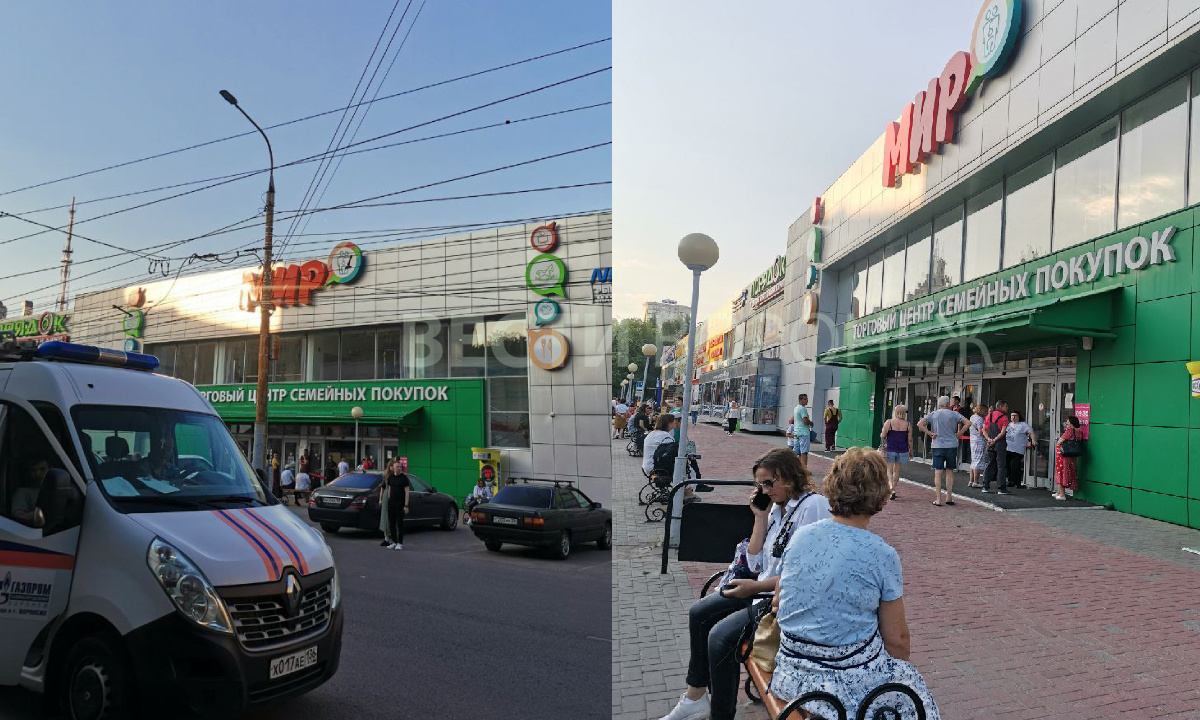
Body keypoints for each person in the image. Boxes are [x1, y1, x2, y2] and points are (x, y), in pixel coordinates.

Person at [658, 448, 831, 720]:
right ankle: (695, 697)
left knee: (720, 637)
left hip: (782, 600)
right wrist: (759, 518)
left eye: (768, 483)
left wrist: (755, 588)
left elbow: (806, 574)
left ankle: (721, 714)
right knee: (699, 614)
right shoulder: (775, 509)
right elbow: (753, 563)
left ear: (789, 477)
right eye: (759, 484)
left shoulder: (812, 506)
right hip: (760, 591)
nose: (763, 490)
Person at [769, 448, 940, 719]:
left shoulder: (801, 536)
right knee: (911, 692)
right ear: (881, 498)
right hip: (841, 686)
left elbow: (781, 601)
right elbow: (897, 644)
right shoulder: (881, 554)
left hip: (790, 673)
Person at [917, 396, 969, 507]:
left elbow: (919, 424)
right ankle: (949, 497)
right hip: (951, 445)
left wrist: (929, 433)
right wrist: (960, 433)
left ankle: (938, 499)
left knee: (938, 472)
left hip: (937, 445)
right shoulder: (954, 414)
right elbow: (968, 423)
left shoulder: (934, 414)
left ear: (939, 404)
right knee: (950, 472)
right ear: (948, 404)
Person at [879, 404, 913, 500]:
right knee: (896, 471)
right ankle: (893, 488)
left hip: (890, 449)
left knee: (889, 470)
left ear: (895, 412)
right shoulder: (908, 424)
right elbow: (910, 440)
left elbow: (883, 436)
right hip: (902, 450)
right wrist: (911, 451)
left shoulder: (889, 422)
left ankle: (891, 488)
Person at [380, 458, 411, 550]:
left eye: (400, 467)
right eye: (397, 466)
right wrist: (389, 500)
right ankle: (394, 542)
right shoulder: (390, 477)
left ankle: (400, 543)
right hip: (391, 504)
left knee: (400, 524)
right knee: (392, 524)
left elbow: (407, 492)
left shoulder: (404, 478)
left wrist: (406, 505)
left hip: (400, 504)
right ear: (393, 468)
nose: (399, 468)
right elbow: (389, 490)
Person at [981, 400, 1010, 494]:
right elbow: (1003, 431)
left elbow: (984, 430)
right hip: (999, 443)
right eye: (1006, 406)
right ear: (1000, 406)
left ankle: (985, 486)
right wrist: (995, 439)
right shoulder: (1004, 417)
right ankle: (1001, 488)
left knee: (988, 464)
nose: (1007, 408)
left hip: (989, 443)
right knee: (1001, 465)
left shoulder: (988, 416)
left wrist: (989, 439)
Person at [12, 455, 49, 528]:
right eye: (33, 470)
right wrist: (38, 514)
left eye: (42, 469)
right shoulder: (23, 492)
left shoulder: (55, 490)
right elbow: (18, 517)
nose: (37, 474)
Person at [1005, 411, 1036, 490]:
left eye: (1015, 415)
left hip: (1018, 449)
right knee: (1008, 466)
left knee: (1015, 466)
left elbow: (1031, 432)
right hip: (1008, 448)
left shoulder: (1023, 425)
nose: (1013, 417)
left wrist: (1034, 440)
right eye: (1012, 415)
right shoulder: (1009, 424)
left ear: (1019, 417)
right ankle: (1010, 481)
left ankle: (1017, 482)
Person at [1053, 416, 1081, 501]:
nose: (1067, 423)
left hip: (1064, 455)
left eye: (1068, 422)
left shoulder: (1069, 431)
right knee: (1067, 472)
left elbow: (1060, 441)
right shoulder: (1079, 431)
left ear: (1072, 423)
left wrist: (1058, 441)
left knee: (1062, 473)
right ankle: (1058, 492)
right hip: (1072, 456)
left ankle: (1062, 495)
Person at [967, 404, 988, 488]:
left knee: (973, 461)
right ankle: (976, 481)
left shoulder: (972, 417)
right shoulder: (980, 419)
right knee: (978, 461)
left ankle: (971, 481)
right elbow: (980, 431)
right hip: (979, 441)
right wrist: (986, 437)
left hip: (972, 440)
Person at [792, 393, 813, 471]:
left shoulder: (796, 408)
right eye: (805, 399)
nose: (807, 400)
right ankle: (804, 470)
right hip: (804, 432)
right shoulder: (803, 409)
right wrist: (810, 423)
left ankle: (796, 468)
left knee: (797, 452)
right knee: (804, 452)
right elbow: (804, 420)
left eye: (807, 399)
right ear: (800, 400)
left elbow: (793, 419)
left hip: (797, 432)